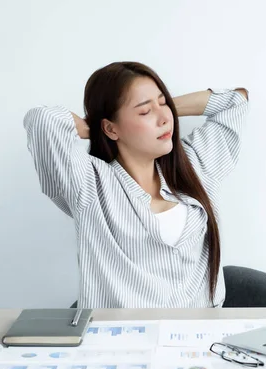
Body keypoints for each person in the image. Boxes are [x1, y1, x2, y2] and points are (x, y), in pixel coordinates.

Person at [23, 61, 249, 308]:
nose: (165, 119)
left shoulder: (195, 165)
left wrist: (162, 106)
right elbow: (42, 120)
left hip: (198, 339)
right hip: (118, 340)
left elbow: (235, 101)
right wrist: (94, 128)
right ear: (110, 128)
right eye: (144, 112)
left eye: (163, 104)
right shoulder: (88, 183)